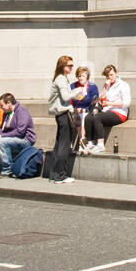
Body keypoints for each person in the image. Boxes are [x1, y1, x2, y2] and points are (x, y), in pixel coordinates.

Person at [0, 93, 37, 176]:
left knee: (2, 142)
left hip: (25, 139)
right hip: (11, 137)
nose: (1, 108)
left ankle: (7, 169)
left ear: (9, 103)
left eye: (2, 105)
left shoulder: (21, 112)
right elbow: (2, 129)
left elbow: (20, 131)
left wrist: (1, 136)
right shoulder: (6, 113)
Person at [83, 64, 131, 153]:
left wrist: (110, 103)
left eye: (111, 74)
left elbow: (126, 103)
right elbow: (100, 99)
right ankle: (90, 143)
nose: (110, 77)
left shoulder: (123, 85)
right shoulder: (107, 85)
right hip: (107, 111)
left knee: (97, 117)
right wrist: (105, 88)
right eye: (107, 75)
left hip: (119, 113)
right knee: (88, 117)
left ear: (116, 73)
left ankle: (100, 145)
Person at [47, 55, 77, 184]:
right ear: (62, 66)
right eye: (69, 65)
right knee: (64, 145)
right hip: (63, 114)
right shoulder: (61, 79)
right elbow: (66, 97)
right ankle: (61, 175)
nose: (71, 67)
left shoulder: (60, 78)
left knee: (59, 144)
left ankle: (55, 174)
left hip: (60, 114)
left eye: (72, 65)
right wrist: (77, 91)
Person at [70, 66, 99, 148]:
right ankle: (82, 140)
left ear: (87, 77)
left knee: (83, 116)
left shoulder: (93, 87)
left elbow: (94, 101)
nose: (80, 78)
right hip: (75, 110)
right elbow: (70, 100)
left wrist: (85, 109)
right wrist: (75, 109)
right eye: (79, 76)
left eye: (83, 76)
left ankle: (81, 140)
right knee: (77, 116)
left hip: (88, 110)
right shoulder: (73, 86)